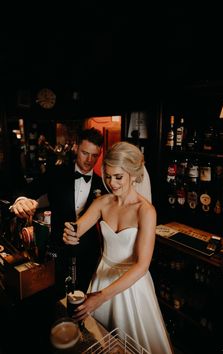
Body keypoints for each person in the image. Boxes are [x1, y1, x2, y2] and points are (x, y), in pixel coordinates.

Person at [63, 141, 173, 354]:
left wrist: (102, 296)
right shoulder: (102, 203)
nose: (112, 183)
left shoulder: (146, 211)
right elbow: (78, 228)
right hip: (101, 277)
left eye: (118, 177)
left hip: (131, 285)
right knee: (99, 343)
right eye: (107, 176)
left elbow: (142, 266)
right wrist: (70, 234)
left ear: (133, 174)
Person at [10, 127, 107, 299]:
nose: (89, 160)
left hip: (88, 253)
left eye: (95, 155)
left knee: (84, 299)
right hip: (58, 250)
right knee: (55, 298)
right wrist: (21, 201)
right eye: (85, 153)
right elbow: (27, 190)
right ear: (76, 147)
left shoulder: (104, 185)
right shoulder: (57, 173)